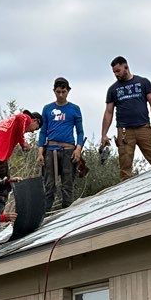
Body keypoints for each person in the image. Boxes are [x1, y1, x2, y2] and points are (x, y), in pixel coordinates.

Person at [99, 55, 151, 180]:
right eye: (114, 72)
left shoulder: (143, 82)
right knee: (125, 170)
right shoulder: (113, 89)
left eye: (118, 71)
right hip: (124, 132)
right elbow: (108, 112)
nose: (116, 74)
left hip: (144, 128)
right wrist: (104, 134)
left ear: (126, 67)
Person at [39, 77, 87, 207]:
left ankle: (67, 213)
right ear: (54, 91)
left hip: (68, 150)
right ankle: (46, 214)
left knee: (67, 185)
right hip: (50, 149)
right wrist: (40, 152)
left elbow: (80, 132)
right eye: (58, 92)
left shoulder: (74, 109)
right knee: (49, 185)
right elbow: (43, 132)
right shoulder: (47, 109)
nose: (61, 95)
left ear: (68, 91)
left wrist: (78, 149)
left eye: (63, 92)